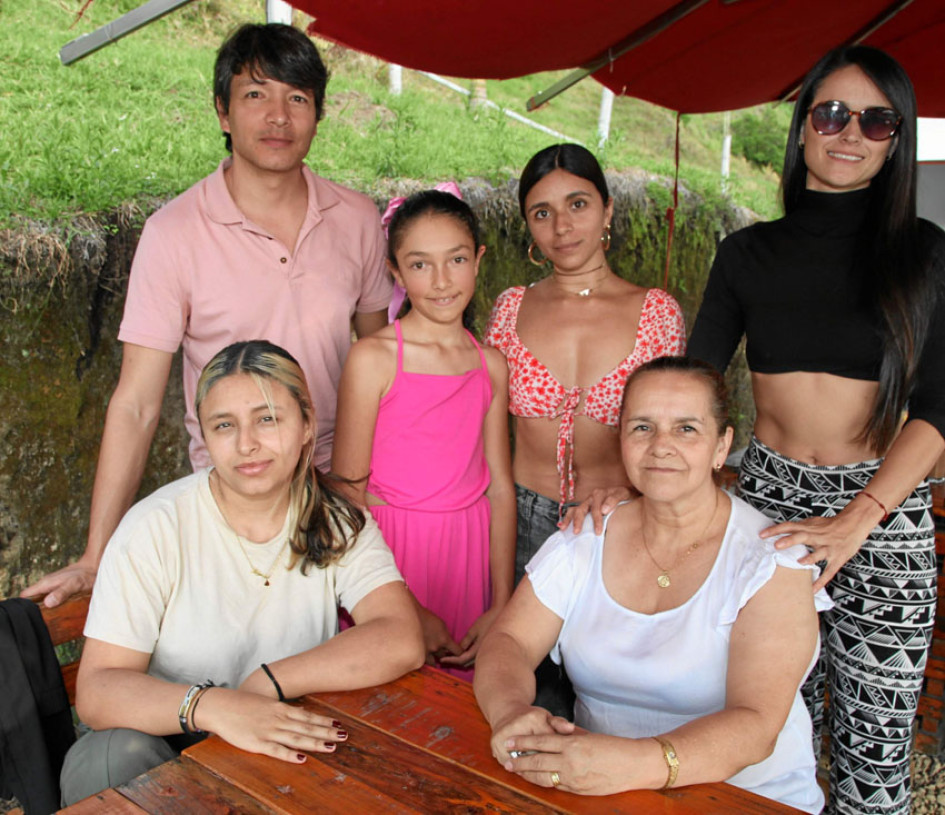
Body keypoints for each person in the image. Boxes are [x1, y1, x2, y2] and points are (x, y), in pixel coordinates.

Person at [23, 23, 391, 608]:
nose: (278, 116)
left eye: (297, 98)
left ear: (319, 115)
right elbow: (137, 402)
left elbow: (386, 360)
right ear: (222, 112)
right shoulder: (174, 233)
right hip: (235, 495)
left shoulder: (356, 219)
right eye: (255, 95)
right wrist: (97, 555)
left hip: (342, 490)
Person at [688, 46, 945, 815]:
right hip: (765, 504)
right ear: (802, 127)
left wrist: (856, 519)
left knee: (872, 755)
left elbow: (937, 402)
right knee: (758, 739)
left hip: (883, 508)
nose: (849, 133)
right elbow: (696, 383)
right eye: (831, 113)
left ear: (894, 139)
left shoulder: (926, 256)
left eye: (875, 120)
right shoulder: (745, 253)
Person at [58, 340, 424, 806]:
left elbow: (400, 635)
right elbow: (99, 689)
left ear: (307, 424)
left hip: (278, 735)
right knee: (109, 758)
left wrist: (268, 682)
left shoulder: (334, 520)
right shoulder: (157, 526)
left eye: (267, 418)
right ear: (203, 435)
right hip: (168, 744)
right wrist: (214, 706)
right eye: (224, 425)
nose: (247, 443)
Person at [474, 356, 829, 814]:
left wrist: (634, 763)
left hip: (746, 798)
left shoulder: (771, 561)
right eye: (642, 427)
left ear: (722, 447)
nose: (661, 446)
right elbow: (510, 640)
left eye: (686, 429)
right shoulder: (586, 535)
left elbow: (756, 723)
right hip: (604, 792)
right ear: (620, 439)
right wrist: (510, 712)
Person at [483, 143, 686, 713]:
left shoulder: (655, 312)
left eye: (578, 204)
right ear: (527, 226)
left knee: (608, 695)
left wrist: (630, 493)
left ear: (608, 211)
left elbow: (666, 434)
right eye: (541, 212)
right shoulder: (509, 308)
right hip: (521, 520)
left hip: (613, 527)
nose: (562, 226)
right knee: (525, 694)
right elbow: (491, 440)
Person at [331, 190, 515, 679]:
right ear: (395, 272)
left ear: (478, 260)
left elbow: (499, 486)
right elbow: (348, 493)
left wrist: (502, 602)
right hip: (389, 559)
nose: (440, 281)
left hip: (467, 555)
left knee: (456, 706)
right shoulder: (373, 358)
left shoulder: (490, 364)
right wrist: (405, 604)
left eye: (455, 259)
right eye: (419, 264)